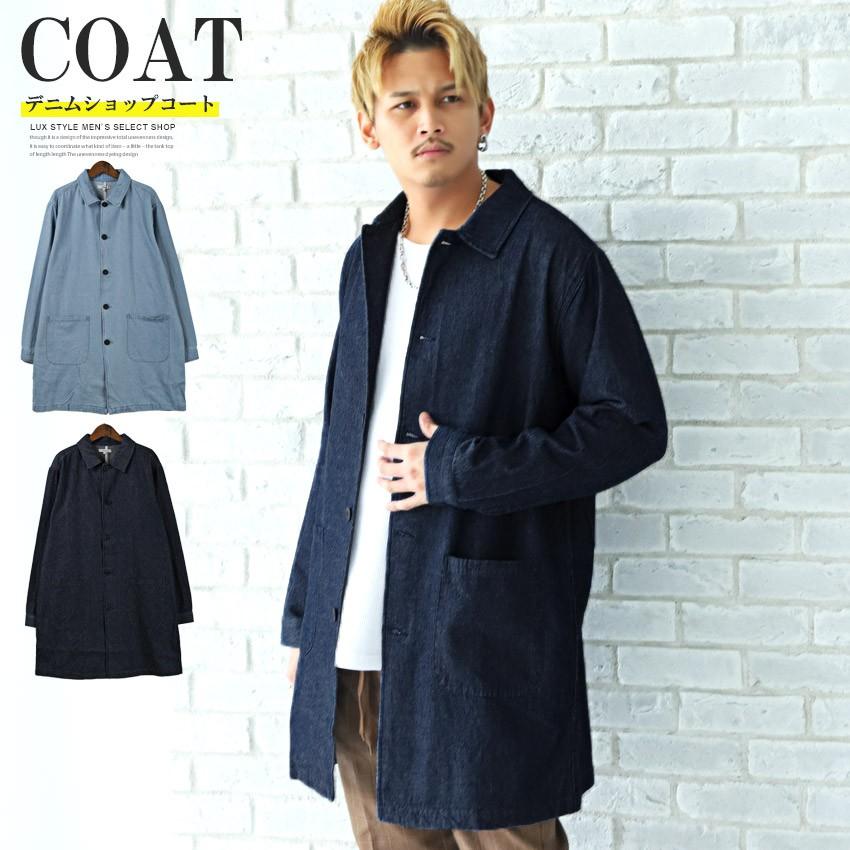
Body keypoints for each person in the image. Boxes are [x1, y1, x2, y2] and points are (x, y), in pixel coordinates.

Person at [281, 0, 668, 846]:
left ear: (484, 114)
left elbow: (633, 425)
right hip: (355, 646)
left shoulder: (552, 256)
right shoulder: (365, 260)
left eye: (449, 99)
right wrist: (307, 622)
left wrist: (459, 470)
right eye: (405, 104)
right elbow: (340, 445)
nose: (429, 121)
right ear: (370, 126)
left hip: (480, 647)